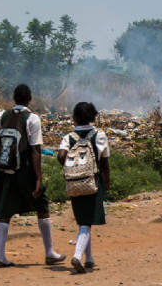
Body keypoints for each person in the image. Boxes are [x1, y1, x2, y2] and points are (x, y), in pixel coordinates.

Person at [0, 84, 66, 267]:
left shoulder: (3, 115)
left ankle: (0, 256)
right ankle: (49, 253)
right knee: (42, 206)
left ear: (14, 98)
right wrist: (38, 178)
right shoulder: (32, 118)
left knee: (4, 211)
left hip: (4, 170)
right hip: (24, 170)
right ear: (29, 99)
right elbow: (35, 150)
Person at [57, 102, 110, 274]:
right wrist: (107, 181)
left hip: (74, 182)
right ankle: (78, 256)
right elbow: (104, 162)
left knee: (83, 220)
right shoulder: (99, 135)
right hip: (93, 181)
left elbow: (61, 156)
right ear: (93, 117)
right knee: (87, 220)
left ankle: (89, 258)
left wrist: (74, 168)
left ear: (75, 118)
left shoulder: (69, 137)